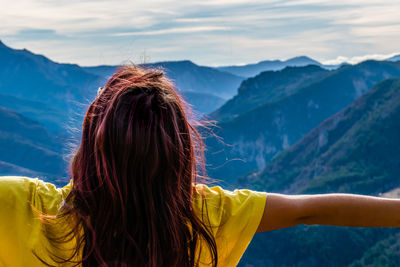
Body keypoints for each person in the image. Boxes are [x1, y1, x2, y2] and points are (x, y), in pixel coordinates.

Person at [0, 65, 400, 267]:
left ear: (91, 144)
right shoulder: (204, 219)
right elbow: (311, 209)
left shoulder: (21, 207)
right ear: (179, 154)